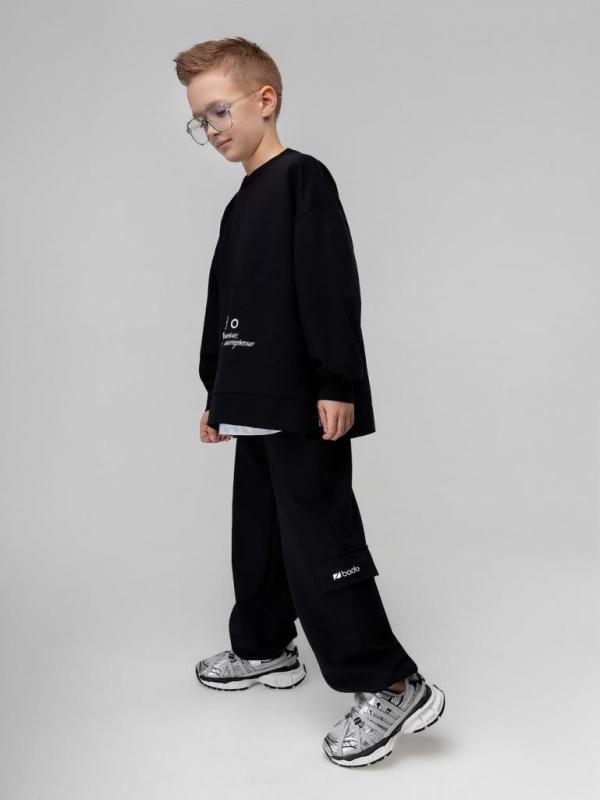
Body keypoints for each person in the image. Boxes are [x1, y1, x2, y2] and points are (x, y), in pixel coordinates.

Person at [173, 35, 445, 768]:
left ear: (265, 100)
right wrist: (217, 391)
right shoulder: (240, 204)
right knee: (258, 534)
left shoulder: (302, 180)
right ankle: (265, 646)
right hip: (252, 397)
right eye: (199, 119)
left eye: (219, 110)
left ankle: (392, 683)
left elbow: (328, 283)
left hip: (302, 398)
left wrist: (336, 382)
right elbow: (223, 299)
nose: (211, 128)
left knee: (319, 540)